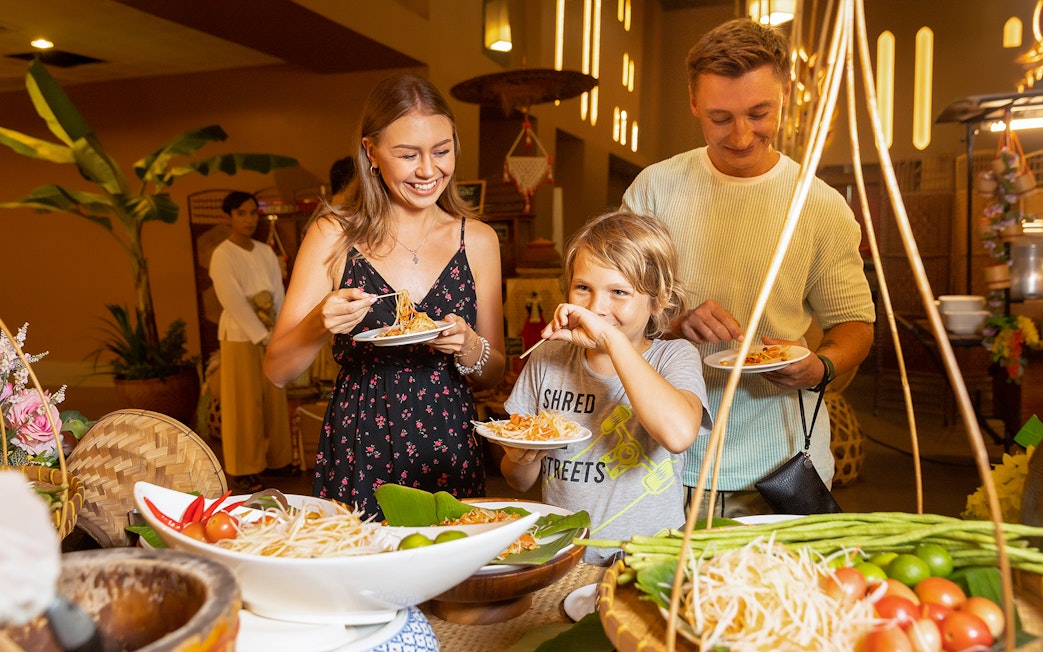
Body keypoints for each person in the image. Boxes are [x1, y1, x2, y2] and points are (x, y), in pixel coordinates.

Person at [621, 17, 875, 518]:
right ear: (693, 102)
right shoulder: (653, 191)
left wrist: (819, 366)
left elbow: (855, 325)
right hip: (662, 456)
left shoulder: (819, 205)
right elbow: (610, 309)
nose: (740, 135)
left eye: (760, 113)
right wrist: (674, 322)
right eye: (720, 118)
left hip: (780, 463)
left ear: (785, 95)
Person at [263, 73, 506, 518]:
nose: (429, 170)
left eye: (443, 151)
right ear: (371, 153)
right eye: (408, 154)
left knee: (450, 576)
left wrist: (470, 346)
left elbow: (492, 372)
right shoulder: (332, 236)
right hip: (361, 440)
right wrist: (320, 321)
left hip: (448, 440)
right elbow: (278, 370)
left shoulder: (480, 241)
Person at [497, 210, 711, 564]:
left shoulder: (674, 357)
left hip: (648, 561)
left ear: (659, 299)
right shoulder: (548, 358)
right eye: (583, 288)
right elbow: (518, 481)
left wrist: (610, 339)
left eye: (618, 292)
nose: (596, 308)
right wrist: (522, 459)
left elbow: (677, 434)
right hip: (564, 558)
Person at [210, 190, 294, 494]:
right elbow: (232, 300)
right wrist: (261, 334)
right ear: (228, 217)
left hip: (271, 331)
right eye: (241, 213)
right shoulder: (222, 254)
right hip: (240, 335)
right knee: (244, 403)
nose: (248, 219)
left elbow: (278, 293)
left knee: (274, 398)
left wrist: (280, 330)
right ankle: (243, 469)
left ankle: (278, 459)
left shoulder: (264, 251)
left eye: (252, 213)